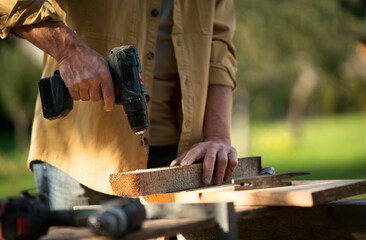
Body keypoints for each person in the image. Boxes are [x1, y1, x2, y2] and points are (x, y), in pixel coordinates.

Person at [0, 0, 238, 209]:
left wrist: (217, 135)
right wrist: (68, 51)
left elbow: (219, 45)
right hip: (84, 162)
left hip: (183, 159)